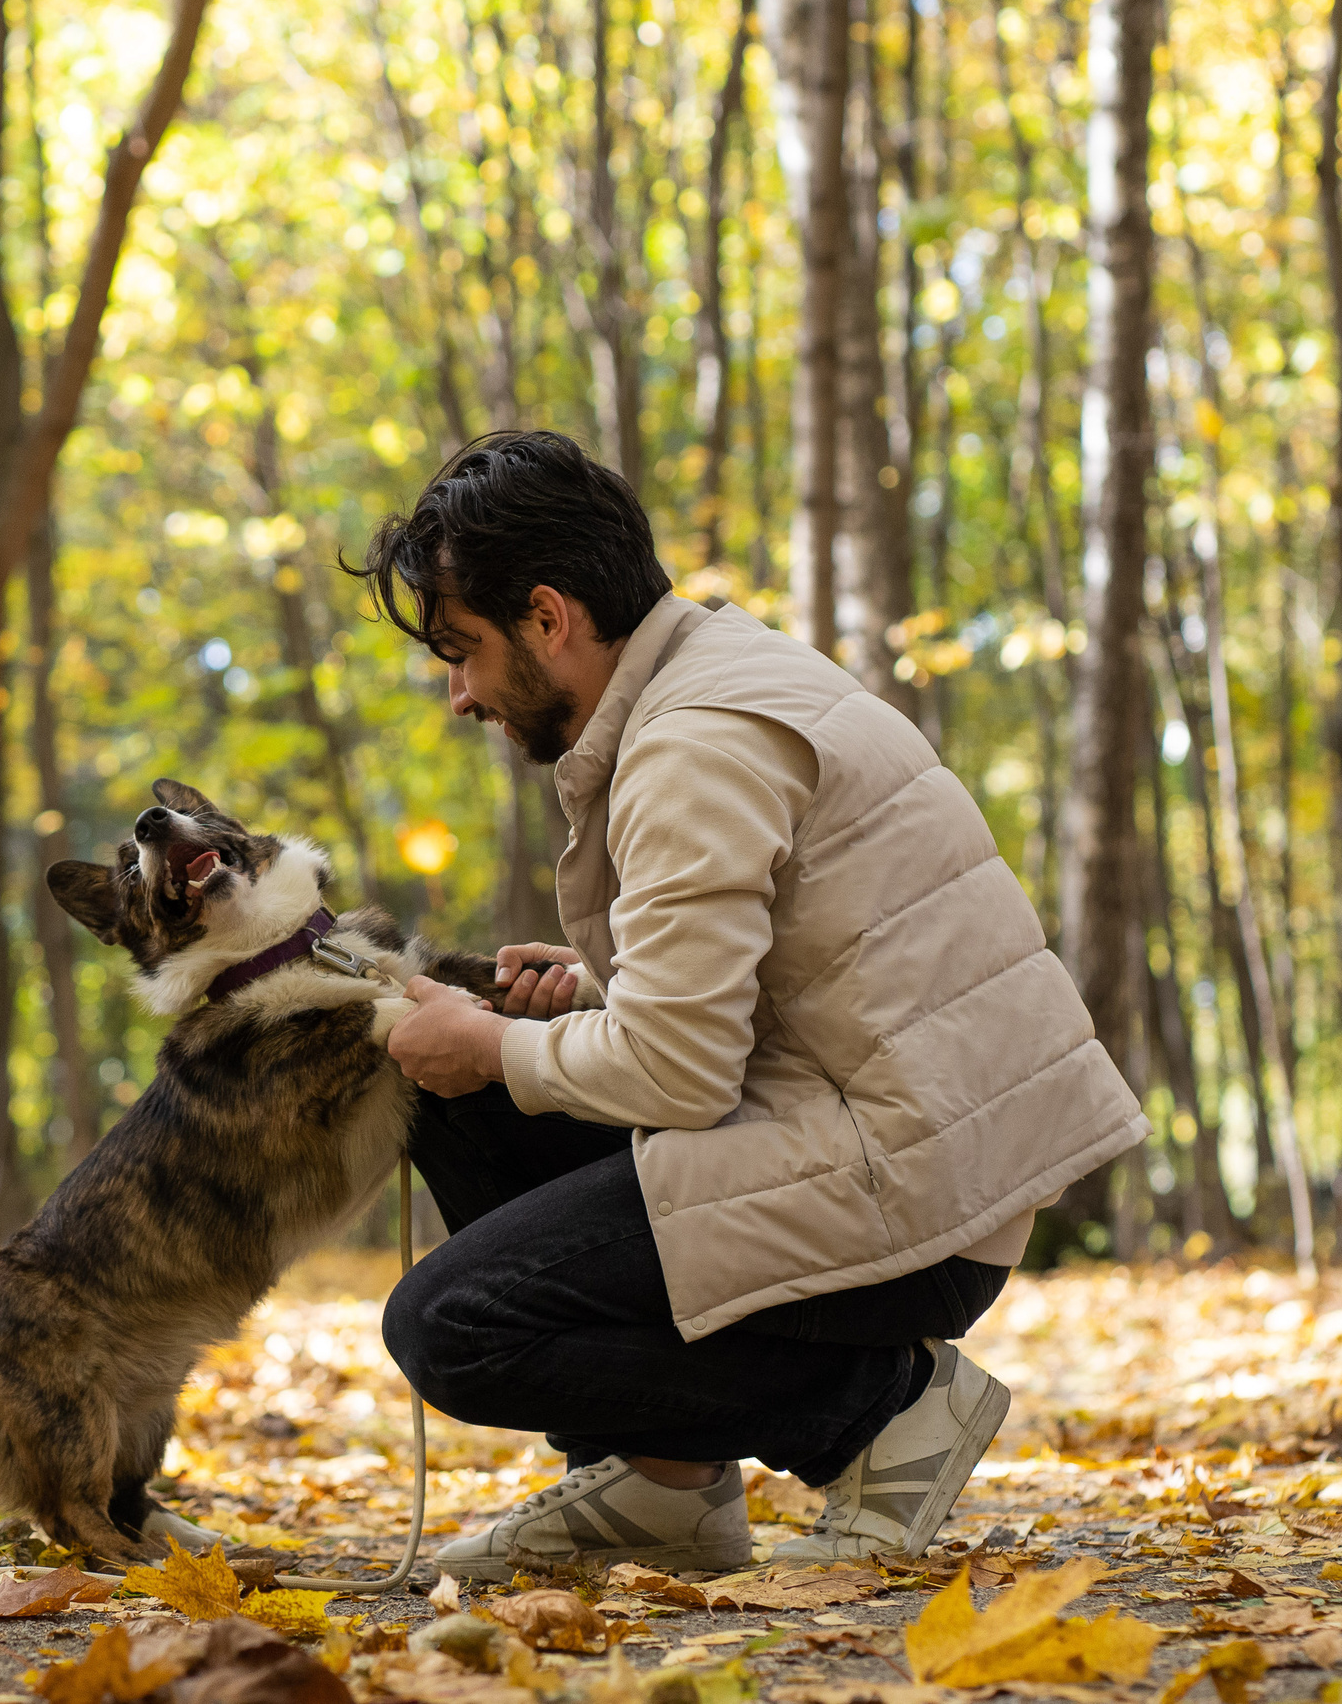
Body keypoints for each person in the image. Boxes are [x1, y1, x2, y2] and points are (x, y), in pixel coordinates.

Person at [357, 431, 1146, 1583]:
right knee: (451, 1099)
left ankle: (881, 1409)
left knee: (449, 1328)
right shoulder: (712, 675)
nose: (458, 694)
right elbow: (799, 982)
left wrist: (498, 1044)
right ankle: (660, 1487)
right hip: (887, 1134)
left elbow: (679, 1077)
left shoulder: (691, 745)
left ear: (547, 616)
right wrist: (585, 997)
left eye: (463, 650)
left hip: (914, 1194)